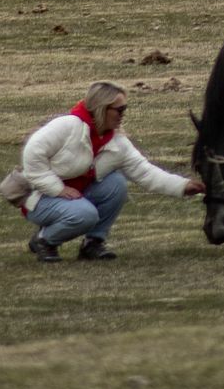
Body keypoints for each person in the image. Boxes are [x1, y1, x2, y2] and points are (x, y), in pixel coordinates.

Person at [18, 79, 203, 262]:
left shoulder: (117, 142)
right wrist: (57, 189)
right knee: (86, 214)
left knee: (116, 183)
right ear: (101, 108)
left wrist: (183, 186)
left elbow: (145, 172)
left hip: (75, 197)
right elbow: (32, 154)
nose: (123, 114)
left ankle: (93, 243)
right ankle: (44, 240)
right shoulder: (67, 126)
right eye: (119, 110)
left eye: (125, 109)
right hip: (40, 197)